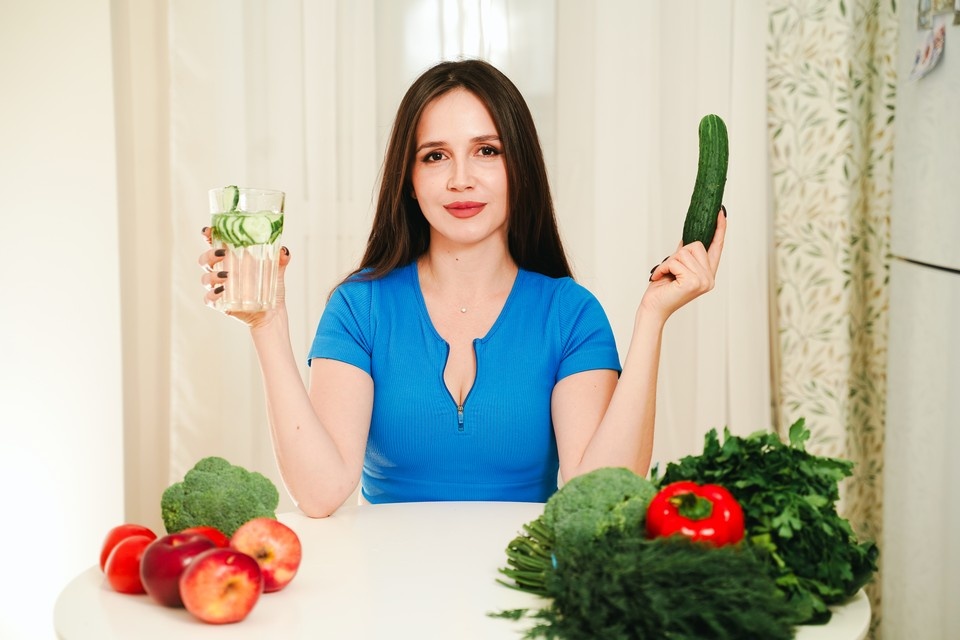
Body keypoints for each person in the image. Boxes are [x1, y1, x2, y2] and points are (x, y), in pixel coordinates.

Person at [199, 59, 726, 518]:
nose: (460, 180)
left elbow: (602, 496)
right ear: (408, 178)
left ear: (520, 168)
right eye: (435, 156)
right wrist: (267, 325)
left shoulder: (570, 314)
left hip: (525, 588)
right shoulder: (360, 308)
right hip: (385, 594)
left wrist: (653, 318)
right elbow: (319, 495)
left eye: (487, 151)